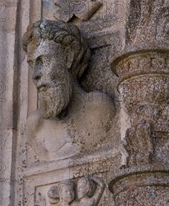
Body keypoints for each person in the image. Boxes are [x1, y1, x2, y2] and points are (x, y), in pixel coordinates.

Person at [23, 19, 115, 159]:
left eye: (44, 61)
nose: (35, 74)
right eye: (32, 64)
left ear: (68, 57)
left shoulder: (99, 109)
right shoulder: (35, 126)